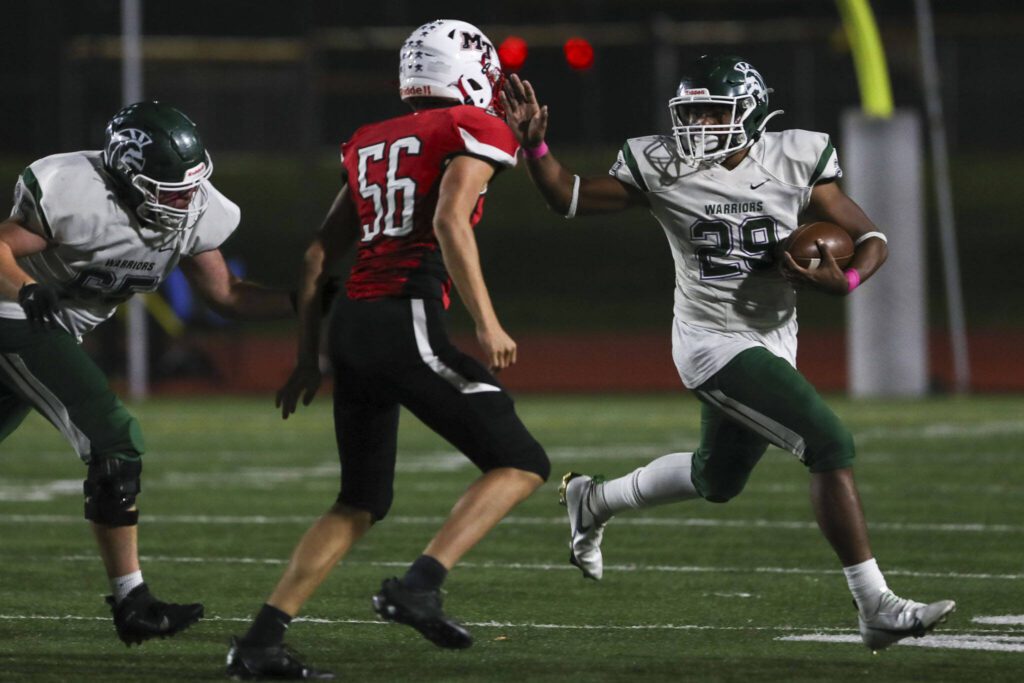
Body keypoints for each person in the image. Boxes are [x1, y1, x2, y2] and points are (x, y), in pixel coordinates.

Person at [501, 55, 954, 652]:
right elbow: (571, 196)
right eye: (691, 112)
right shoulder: (663, 165)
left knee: (716, 479)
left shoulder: (794, 156)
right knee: (829, 443)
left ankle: (594, 498)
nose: (700, 125)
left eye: (716, 111)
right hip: (711, 343)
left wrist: (842, 283)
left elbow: (871, 237)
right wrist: (537, 150)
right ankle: (877, 607)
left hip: (773, 338)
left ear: (754, 112)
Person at [226, 19, 549, 680]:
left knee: (360, 499)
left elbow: (318, 253)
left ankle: (259, 642)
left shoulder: (371, 138)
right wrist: (487, 320)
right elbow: (447, 219)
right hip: (405, 314)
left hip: (352, 325)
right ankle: (419, 585)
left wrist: (306, 356)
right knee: (520, 460)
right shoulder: (474, 127)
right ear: (469, 71)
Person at [0, 101, 296, 646]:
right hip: (15, 317)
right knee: (114, 438)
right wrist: (27, 287)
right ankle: (133, 601)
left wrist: (303, 300)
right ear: (126, 176)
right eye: (170, 188)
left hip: (51, 328)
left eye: (190, 186)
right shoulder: (76, 191)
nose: (186, 201)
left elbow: (226, 294)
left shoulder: (196, 209)